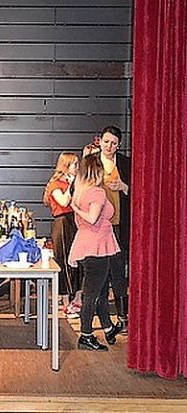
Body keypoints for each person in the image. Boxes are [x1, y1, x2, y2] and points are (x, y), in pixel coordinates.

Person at [68, 154, 123, 351]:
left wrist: (76, 207)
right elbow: (92, 218)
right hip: (97, 248)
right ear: (98, 172)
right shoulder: (97, 192)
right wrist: (76, 209)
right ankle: (86, 335)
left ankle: (108, 328)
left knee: (100, 291)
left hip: (87, 245)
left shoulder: (81, 192)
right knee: (92, 294)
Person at [98, 125, 131, 333]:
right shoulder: (91, 162)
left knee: (119, 271)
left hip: (119, 225)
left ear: (118, 145)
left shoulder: (126, 164)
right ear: (100, 141)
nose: (109, 146)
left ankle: (122, 316)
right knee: (99, 272)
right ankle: (103, 319)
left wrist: (123, 187)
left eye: (113, 143)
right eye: (106, 142)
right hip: (97, 227)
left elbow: (140, 191)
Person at [43, 152, 82, 317]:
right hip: (63, 222)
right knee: (64, 261)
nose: (78, 168)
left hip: (76, 221)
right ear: (66, 166)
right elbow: (64, 202)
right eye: (75, 164)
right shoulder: (56, 184)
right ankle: (65, 300)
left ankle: (78, 298)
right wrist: (72, 185)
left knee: (78, 260)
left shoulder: (77, 182)